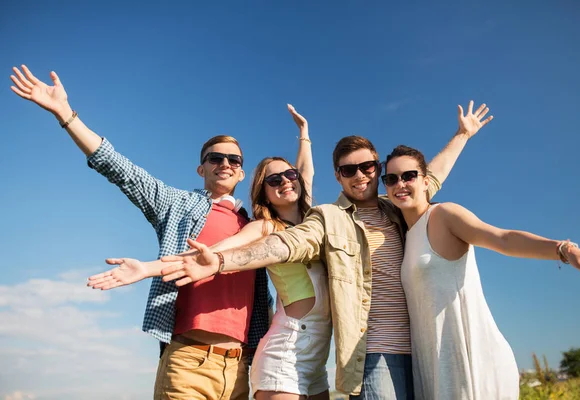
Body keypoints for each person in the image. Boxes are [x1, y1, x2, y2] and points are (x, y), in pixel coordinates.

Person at [156, 101, 493, 399]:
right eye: (349, 170)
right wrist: (214, 261)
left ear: (378, 170)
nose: (360, 175)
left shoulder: (396, 208)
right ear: (339, 176)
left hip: (350, 360)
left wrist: (462, 135)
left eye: (368, 168)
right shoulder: (323, 220)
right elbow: (276, 245)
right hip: (321, 354)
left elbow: (427, 179)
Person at [9, 65, 272, 400]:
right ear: (201, 168)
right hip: (186, 363)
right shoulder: (178, 204)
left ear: (242, 171)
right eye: (215, 157)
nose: (225, 163)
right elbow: (121, 170)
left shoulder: (257, 227)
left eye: (234, 159)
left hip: (239, 370)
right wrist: (65, 113)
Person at [89, 107, 332, 400]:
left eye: (233, 159)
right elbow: (213, 254)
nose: (284, 182)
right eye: (273, 180)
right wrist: (147, 268)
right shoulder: (255, 226)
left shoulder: (308, 223)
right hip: (196, 357)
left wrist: (304, 136)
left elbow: (304, 175)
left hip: (244, 364)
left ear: (241, 172)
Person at [380, 144, 580, 399]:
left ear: (426, 181)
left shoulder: (443, 215)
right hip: (434, 368)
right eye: (391, 178)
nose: (400, 184)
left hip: (471, 363)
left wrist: (561, 249)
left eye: (409, 176)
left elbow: (503, 239)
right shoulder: (405, 237)